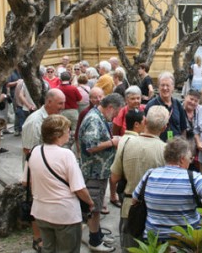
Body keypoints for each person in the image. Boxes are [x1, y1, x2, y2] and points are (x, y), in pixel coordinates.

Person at [133, 137, 202, 241]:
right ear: (182, 159)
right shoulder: (193, 178)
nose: (190, 162)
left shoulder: (149, 174)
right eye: (190, 159)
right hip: (186, 243)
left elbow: (135, 200)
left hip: (154, 241)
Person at [22, 115, 93, 253]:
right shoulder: (66, 154)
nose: (70, 133)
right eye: (68, 130)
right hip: (64, 214)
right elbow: (78, 188)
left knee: (48, 248)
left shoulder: (35, 151)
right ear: (58, 134)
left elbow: (26, 181)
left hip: (41, 211)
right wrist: (90, 202)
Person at [109, 105, 169, 249]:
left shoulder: (126, 143)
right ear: (164, 128)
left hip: (130, 207)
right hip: (156, 210)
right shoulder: (166, 150)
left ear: (145, 122)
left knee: (130, 247)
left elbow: (114, 177)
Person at [78, 93, 124, 252]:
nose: (116, 116)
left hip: (99, 171)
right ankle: (94, 241)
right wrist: (112, 142)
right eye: (116, 113)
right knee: (94, 208)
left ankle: (97, 234)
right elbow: (91, 146)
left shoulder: (98, 117)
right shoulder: (94, 120)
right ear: (110, 107)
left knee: (96, 206)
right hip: (94, 172)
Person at [22, 88, 66, 252]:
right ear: (49, 102)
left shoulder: (53, 118)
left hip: (50, 173)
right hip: (37, 173)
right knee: (37, 205)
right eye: (60, 103)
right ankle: (37, 238)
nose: (63, 106)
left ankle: (48, 236)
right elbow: (29, 151)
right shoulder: (35, 121)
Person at [145, 71, 187, 142]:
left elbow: (183, 129)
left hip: (176, 147)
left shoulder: (178, 104)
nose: (165, 88)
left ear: (173, 87)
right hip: (157, 147)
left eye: (168, 85)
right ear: (158, 87)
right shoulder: (151, 105)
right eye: (162, 85)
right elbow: (145, 128)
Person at [183, 89, 201, 170]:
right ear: (185, 97)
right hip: (183, 152)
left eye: (196, 101)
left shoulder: (200, 112)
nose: (193, 102)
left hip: (198, 154)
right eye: (191, 99)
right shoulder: (178, 110)